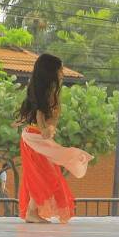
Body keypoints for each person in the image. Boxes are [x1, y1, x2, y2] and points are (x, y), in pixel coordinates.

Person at [17, 54, 92, 224]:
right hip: (35, 140)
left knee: (42, 175)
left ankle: (32, 210)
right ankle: (31, 211)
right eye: (60, 69)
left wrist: (48, 129)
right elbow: (40, 114)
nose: (62, 72)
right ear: (51, 72)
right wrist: (45, 129)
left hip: (33, 138)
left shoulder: (47, 93)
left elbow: (49, 118)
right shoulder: (46, 93)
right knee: (45, 176)